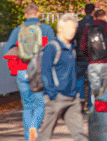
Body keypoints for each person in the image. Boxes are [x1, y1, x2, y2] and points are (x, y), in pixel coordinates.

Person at [3, 2, 57, 141]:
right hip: (39, 71)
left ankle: (29, 138)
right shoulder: (46, 29)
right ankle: (34, 126)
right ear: (38, 14)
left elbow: (7, 52)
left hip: (22, 71)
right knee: (39, 105)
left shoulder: (17, 31)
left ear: (25, 15)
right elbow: (54, 51)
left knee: (27, 107)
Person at [38, 13, 88, 141]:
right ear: (60, 28)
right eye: (68, 27)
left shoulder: (72, 48)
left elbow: (78, 66)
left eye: (74, 28)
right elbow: (45, 71)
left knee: (80, 134)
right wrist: (52, 94)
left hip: (72, 97)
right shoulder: (52, 47)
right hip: (57, 97)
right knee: (45, 134)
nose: (72, 31)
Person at [80, 9, 107, 105]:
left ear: (95, 17)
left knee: (94, 89)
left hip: (93, 62)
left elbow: (83, 47)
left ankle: (95, 108)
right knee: (106, 89)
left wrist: (90, 55)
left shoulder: (88, 29)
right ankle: (105, 109)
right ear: (105, 16)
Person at [73, 3, 95, 112]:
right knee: (92, 80)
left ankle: (81, 100)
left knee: (79, 79)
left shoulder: (79, 24)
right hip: (92, 55)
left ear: (84, 11)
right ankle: (90, 104)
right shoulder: (95, 24)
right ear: (93, 11)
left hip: (80, 54)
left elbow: (74, 40)